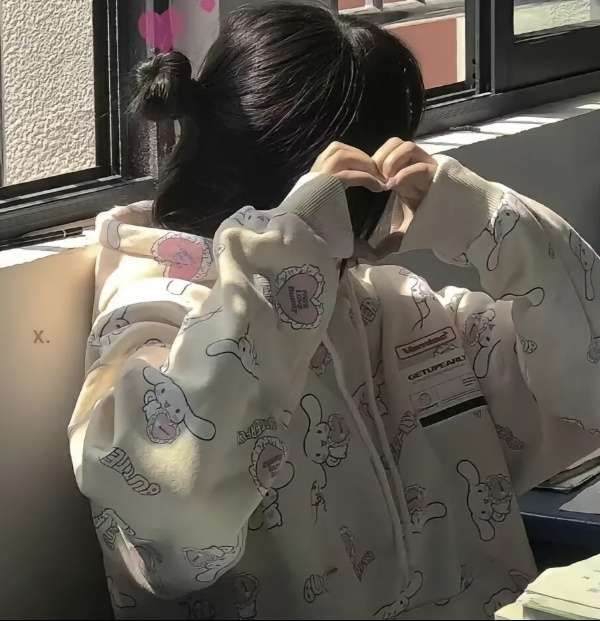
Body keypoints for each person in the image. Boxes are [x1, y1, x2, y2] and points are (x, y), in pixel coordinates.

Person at [68, 3, 600, 619]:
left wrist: (493, 224)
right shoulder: (149, 321)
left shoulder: (401, 313)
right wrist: (283, 265)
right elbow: (172, 533)